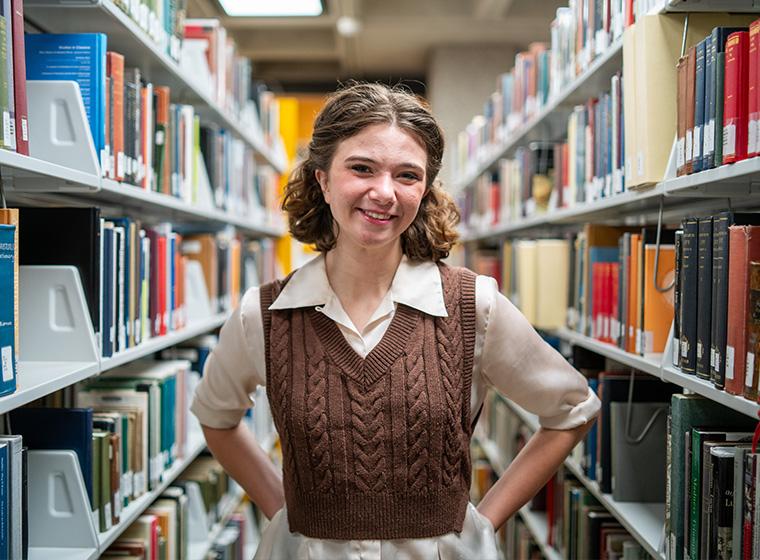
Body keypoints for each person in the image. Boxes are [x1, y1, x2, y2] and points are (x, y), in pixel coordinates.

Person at [190, 82, 601, 559]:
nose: (383, 193)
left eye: (407, 175)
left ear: (424, 189)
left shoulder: (472, 305)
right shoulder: (263, 316)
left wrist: (484, 522)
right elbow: (215, 417)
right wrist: (286, 510)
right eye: (361, 168)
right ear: (322, 178)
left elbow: (573, 410)